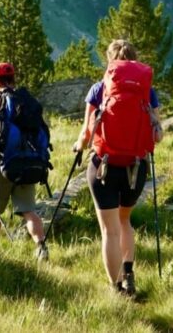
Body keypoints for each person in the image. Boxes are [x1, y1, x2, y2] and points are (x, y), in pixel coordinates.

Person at [72, 39, 164, 296]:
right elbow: (157, 135)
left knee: (109, 230)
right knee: (125, 221)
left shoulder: (98, 89)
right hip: (135, 168)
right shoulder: (148, 92)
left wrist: (78, 146)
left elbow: (87, 131)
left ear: (110, 62)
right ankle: (129, 273)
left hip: (104, 166)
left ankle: (116, 288)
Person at [0, 62, 49, 261]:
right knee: (28, 210)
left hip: (0, 166)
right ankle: (41, 246)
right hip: (29, 163)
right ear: (13, 78)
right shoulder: (27, 101)